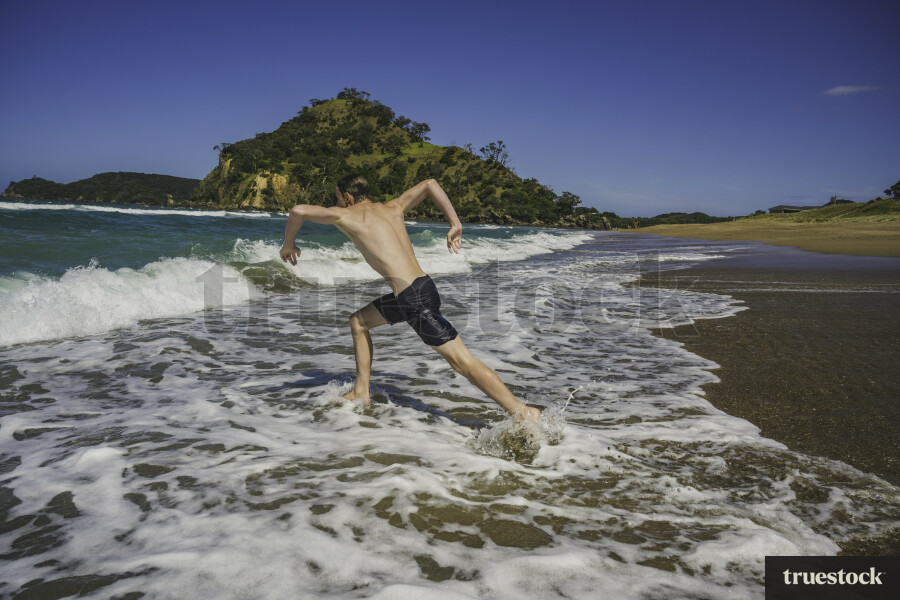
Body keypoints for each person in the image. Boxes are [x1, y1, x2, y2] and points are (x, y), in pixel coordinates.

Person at [280, 174, 540, 422]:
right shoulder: (394, 207)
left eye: (337, 197)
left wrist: (288, 245)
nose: (335, 203)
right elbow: (430, 184)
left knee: (462, 362)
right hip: (420, 287)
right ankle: (361, 391)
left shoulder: (345, 214)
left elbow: (298, 211)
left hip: (413, 299)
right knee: (358, 322)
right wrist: (455, 223)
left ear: (347, 196)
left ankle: (521, 411)